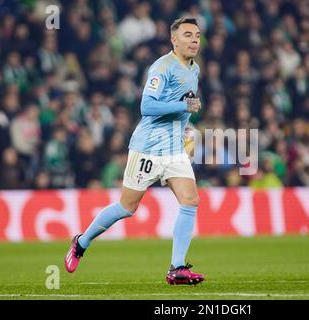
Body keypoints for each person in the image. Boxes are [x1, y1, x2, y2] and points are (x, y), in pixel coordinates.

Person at [64, 17, 204, 285]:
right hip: (147, 148)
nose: (194, 39)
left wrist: (185, 129)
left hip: (173, 148)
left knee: (190, 201)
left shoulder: (194, 69)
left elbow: (182, 104)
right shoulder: (161, 67)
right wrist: (183, 108)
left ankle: (176, 269)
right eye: (188, 35)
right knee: (127, 207)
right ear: (174, 40)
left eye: (197, 35)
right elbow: (147, 107)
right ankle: (81, 243)